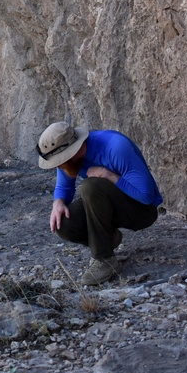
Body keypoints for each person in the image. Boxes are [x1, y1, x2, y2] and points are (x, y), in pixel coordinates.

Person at [37, 121, 163, 285]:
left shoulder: (115, 147)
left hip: (141, 210)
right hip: (108, 204)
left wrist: (108, 175)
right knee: (63, 223)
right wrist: (58, 202)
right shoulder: (69, 160)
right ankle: (108, 240)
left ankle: (105, 260)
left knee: (91, 186)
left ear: (72, 150)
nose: (59, 165)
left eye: (60, 161)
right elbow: (63, 186)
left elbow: (146, 196)